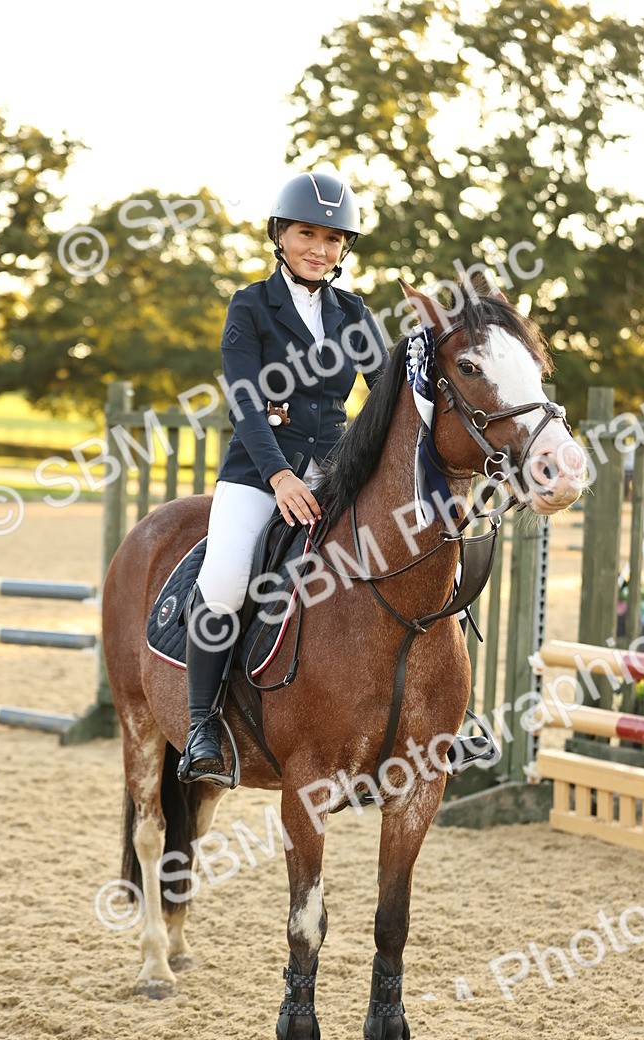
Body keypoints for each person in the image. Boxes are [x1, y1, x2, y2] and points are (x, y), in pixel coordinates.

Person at [178, 170, 499, 787]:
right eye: (307, 234)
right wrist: (277, 476)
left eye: (332, 239)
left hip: (334, 472)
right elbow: (245, 401)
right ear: (280, 235)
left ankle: (441, 721)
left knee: (431, 566)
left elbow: (387, 395)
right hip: (257, 473)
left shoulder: (351, 311)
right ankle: (201, 725)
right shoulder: (251, 305)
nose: (319, 249)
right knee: (223, 580)